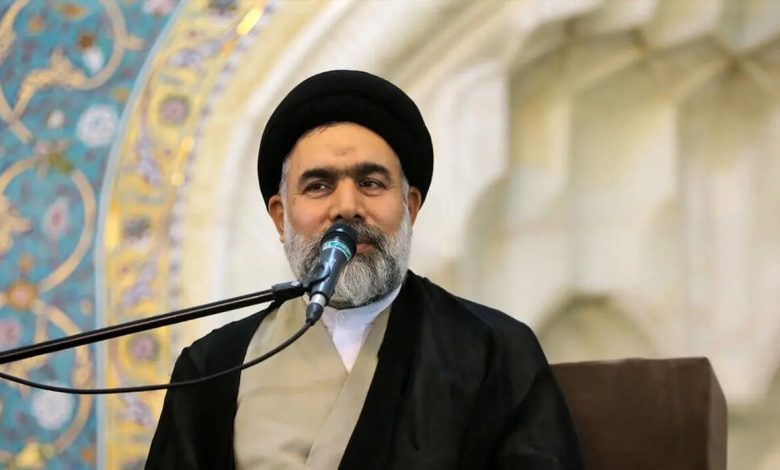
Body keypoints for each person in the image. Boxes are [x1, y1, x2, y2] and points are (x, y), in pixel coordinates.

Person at [146, 70, 582, 469]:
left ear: (410, 207)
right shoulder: (213, 368)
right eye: (319, 186)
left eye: (371, 183)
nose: (347, 207)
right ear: (281, 217)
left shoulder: (493, 351)